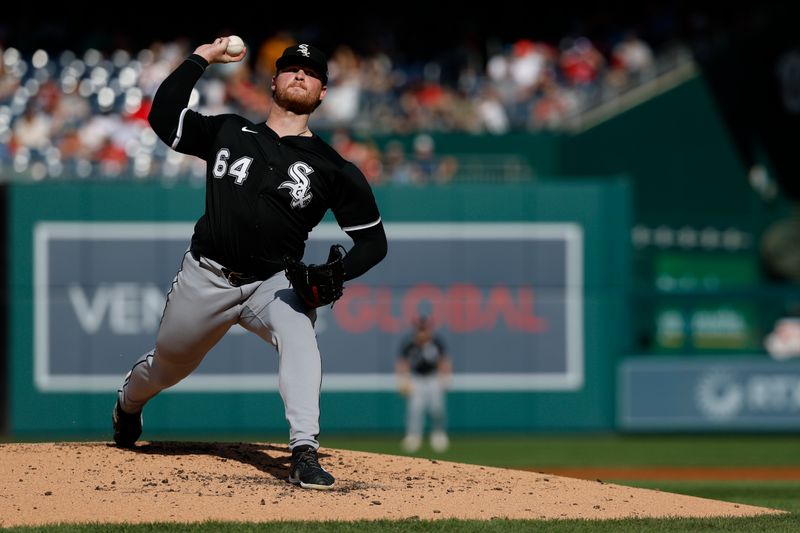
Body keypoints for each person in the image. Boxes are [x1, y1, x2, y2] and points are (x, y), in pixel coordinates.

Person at [111, 37, 388, 491]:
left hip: (273, 282)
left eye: (312, 73)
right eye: (292, 68)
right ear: (273, 81)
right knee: (167, 366)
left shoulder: (334, 168)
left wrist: (337, 273)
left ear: (322, 93)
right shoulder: (229, 130)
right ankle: (128, 404)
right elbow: (163, 117)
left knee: (300, 338)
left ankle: (304, 451)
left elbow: (373, 242)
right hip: (207, 274)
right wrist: (202, 57)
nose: (301, 74)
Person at [395, 315, 452, 453]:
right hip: (416, 379)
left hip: (433, 378)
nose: (422, 333)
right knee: (415, 409)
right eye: (420, 330)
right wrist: (402, 379)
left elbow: (443, 360)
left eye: (424, 329)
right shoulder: (409, 343)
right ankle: (413, 437)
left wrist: (445, 377)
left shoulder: (436, 342)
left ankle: (438, 435)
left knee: (437, 408)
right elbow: (403, 362)